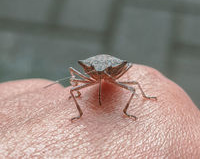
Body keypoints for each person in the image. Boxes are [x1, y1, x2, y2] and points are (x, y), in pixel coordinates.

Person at [0, 64, 199, 158]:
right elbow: (73, 72)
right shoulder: (90, 75)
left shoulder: (113, 74)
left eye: (101, 73)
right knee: (78, 86)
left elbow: (130, 72)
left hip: (115, 71)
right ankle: (79, 111)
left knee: (134, 84)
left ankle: (129, 109)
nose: (100, 76)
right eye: (96, 73)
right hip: (101, 70)